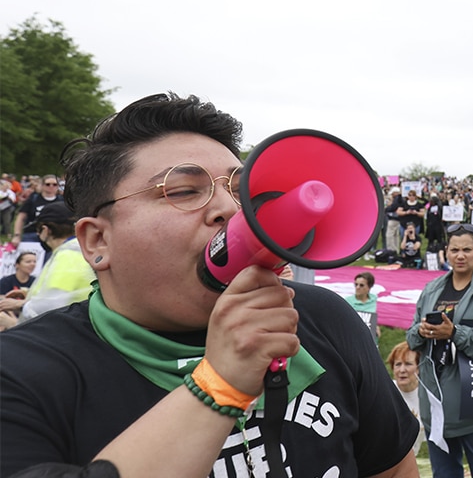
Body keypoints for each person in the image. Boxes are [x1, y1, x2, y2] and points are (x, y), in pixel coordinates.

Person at [0, 92, 419, 477]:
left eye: (241, 190)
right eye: (182, 191)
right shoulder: (20, 372)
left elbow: (393, 468)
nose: (229, 209)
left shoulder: (324, 319)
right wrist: (219, 384)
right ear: (97, 241)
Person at [407, 222, 473, 478]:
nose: (460, 256)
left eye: (467, 249)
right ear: (446, 252)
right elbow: (411, 337)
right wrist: (421, 332)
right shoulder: (432, 289)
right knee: (443, 473)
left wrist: (455, 333)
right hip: (436, 400)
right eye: (454, 250)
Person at [18, 202, 95, 322]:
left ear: (45, 230)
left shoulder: (67, 256)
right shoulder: (83, 251)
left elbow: (49, 308)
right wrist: (28, 294)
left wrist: (22, 307)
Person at [388, 342, 426, 457]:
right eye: (398, 364)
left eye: (408, 364)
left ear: (419, 368)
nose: (402, 370)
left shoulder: (429, 396)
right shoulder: (386, 392)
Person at [345, 270, 381, 341]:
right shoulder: (347, 301)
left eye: (361, 285)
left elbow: (371, 319)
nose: (357, 287)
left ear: (369, 287)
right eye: (356, 284)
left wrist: (375, 327)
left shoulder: (373, 299)